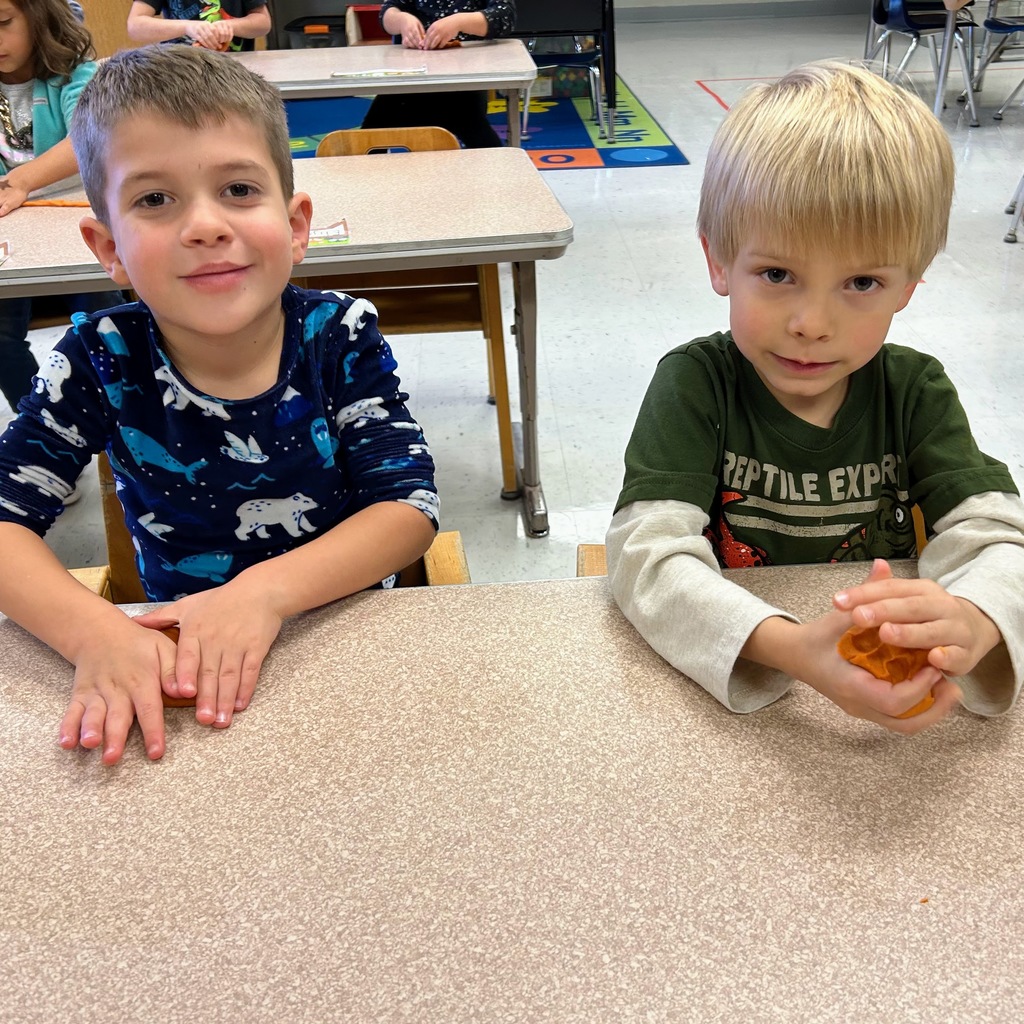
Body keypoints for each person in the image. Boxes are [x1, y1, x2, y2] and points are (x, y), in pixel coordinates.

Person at [0, 45, 439, 765]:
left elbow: (407, 509)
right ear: (107, 246)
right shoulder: (99, 356)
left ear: (296, 225)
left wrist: (263, 595)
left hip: (344, 642)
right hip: (186, 669)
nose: (205, 225)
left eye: (238, 189)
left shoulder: (339, 334)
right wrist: (94, 632)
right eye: (154, 199)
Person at [607, 61, 1024, 736]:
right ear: (719, 261)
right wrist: (792, 650)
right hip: (740, 713)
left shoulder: (914, 391)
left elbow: (999, 538)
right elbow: (644, 557)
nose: (812, 323)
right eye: (777, 274)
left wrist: (972, 618)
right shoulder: (695, 384)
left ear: (910, 286)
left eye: (861, 282)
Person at [0, 0, 123, 413]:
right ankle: (44, 420)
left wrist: (21, 181)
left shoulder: (75, 71)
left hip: (77, 217)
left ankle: (122, 419)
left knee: (107, 327)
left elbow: (86, 139)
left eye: (3, 22)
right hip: (11, 228)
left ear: (38, 16)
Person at [360, 0, 517, 149]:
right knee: (370, 137)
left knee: (476, 132)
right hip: (411, 81)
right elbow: (387, 12)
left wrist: (459, 22)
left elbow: (505, 16)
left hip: (463, 83)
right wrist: (402, 20)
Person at [127, 0, 271, 52]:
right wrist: (188, 27)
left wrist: (229, 26)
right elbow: (135, 26)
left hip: (236, 74)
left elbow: (263, 22)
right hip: (181, 73)